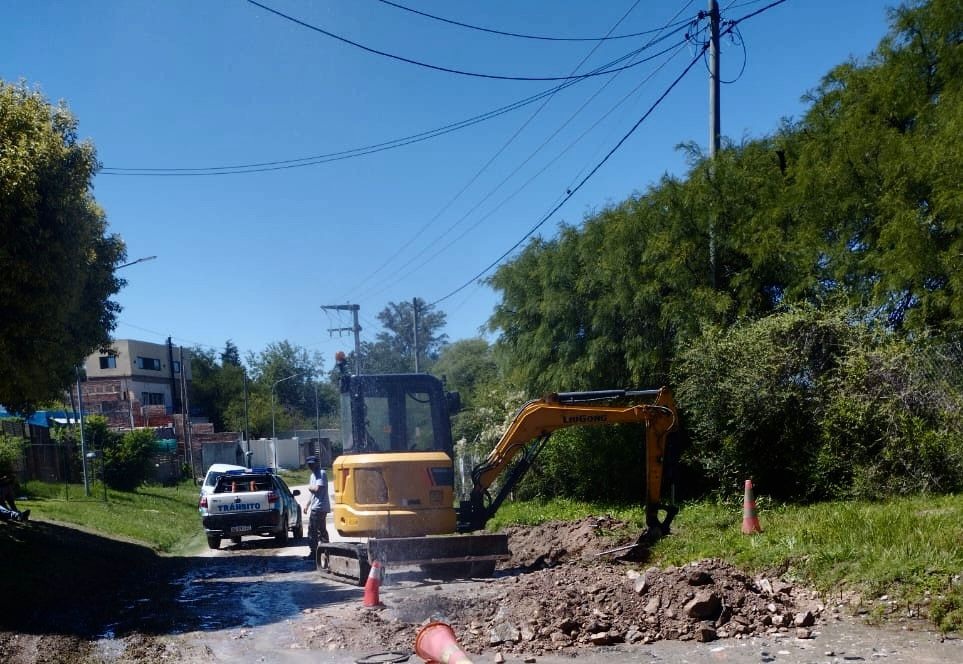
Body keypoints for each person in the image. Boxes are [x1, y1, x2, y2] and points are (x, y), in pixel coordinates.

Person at [303, 456, 330, 561]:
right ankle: (326, 552)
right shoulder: (312, 475)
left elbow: (317, 489)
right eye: (309, 464)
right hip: (315, 506)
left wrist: (309, 488)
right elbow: (313, 494)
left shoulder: (321, 473)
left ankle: (314, 553)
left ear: (317, 463)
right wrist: (307, 505)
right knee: (321, 529)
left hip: (320, 507)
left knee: (313, 531)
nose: (311, 466)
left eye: (312, 464)